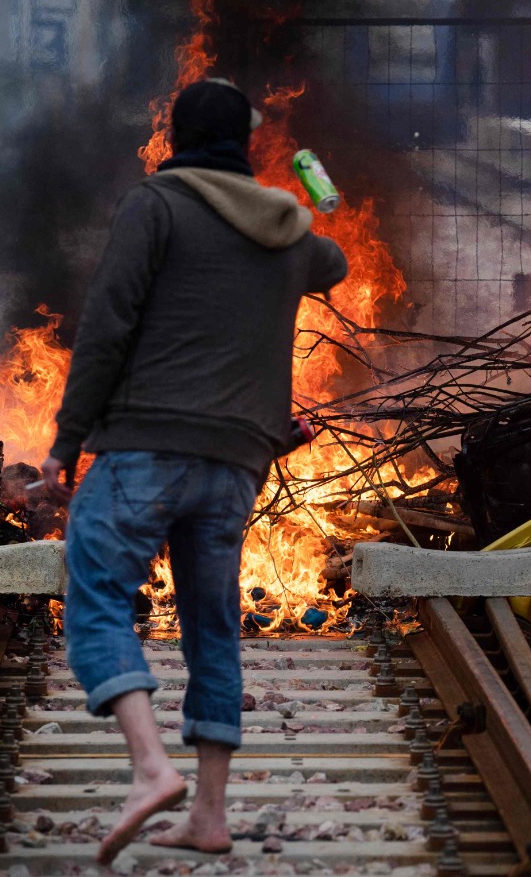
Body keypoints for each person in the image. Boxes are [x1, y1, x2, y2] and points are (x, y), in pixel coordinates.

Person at [40, 79, 348, 864]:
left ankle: (150, 769)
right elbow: (335, 262)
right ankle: (209, 815)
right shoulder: (288, 229)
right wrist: (320, 201)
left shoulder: (155, 206)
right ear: (246, 144)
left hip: (147, 444)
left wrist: (67, 442)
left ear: (175, 138)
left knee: (97, 596)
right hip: (236, 463)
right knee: (214, 629)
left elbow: (108, 322)